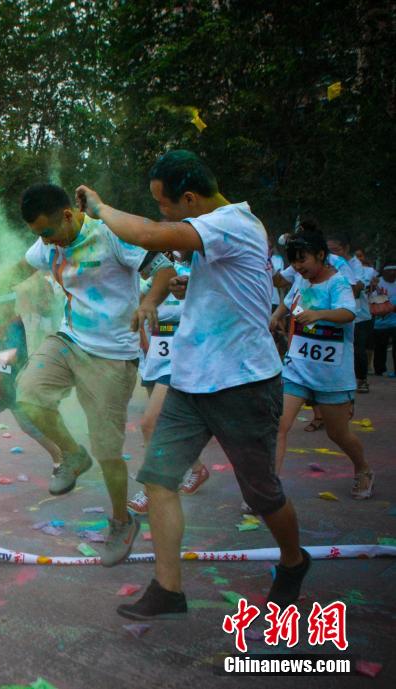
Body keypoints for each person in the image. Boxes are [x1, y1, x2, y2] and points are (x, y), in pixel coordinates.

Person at [77, 149, 309, 618]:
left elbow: (148, 234)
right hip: (190, 382)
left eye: (164, 203)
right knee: (159, 479)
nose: (162, 212)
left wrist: (99, 209)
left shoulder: (233, 223)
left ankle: (293, 560)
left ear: (188, 199)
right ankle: (168, 589)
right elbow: (183, 265)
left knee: (261, 494)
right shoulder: (214, 230)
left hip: (242, 383)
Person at [0, 183, 176, 567]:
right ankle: (72, 454)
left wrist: (149, 302)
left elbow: (164, 269)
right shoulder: (48, 244)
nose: (46, 241)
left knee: (108, 451)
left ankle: (122, 522)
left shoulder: (110, 234)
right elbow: (18, 270)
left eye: (48, 232)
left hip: (113, 355)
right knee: (27, 393)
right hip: (70, 340)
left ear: (68, 215)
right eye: (39, 235)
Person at [270, 230, 373, 499]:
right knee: (278, 426)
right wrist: (276, 316)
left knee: (338, 434)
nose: (297, 267)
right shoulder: (302, 280)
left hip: (331, 375)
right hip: (297, 369)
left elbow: (348, 313)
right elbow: (289, 301)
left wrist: (319, 315)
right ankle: (268, 490)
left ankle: (363, 468)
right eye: (293, 261)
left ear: (320, 255)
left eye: (302, 259)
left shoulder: (337, 283)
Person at [128, 257, 209, 515]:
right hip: (156, 357)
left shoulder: (192, 273)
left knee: (149, 423)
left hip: (180, 358)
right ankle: (197, 468)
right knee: (163, 425)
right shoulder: (152, 281)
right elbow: (139, 306)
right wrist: (142, 338)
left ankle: (152, 490)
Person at [0, 291, 62, 481]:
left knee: (30, 428)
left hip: (14, 387)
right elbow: (1, 351)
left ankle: (60, 459)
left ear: (7, 305)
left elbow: (13, 358)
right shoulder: (2, 323)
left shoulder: (15, 324)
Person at [327, 232, 373, 394]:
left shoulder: (355, 264)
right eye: (329, 250)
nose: (333, 254)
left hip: (359, 315)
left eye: (336, 250)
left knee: (358, 348)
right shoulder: (329, 263)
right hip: (337, 313)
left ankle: (362, 379)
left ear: (346, 248)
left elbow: (357, 287)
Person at [371, 263, 396, 375]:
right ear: (384, 272)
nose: (393, 272)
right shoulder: (377, 283)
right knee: (380, 348)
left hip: (395, 322)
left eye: (395, 270)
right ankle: (380, 371)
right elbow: (372, 299)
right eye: (390, 270)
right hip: (380, 323)